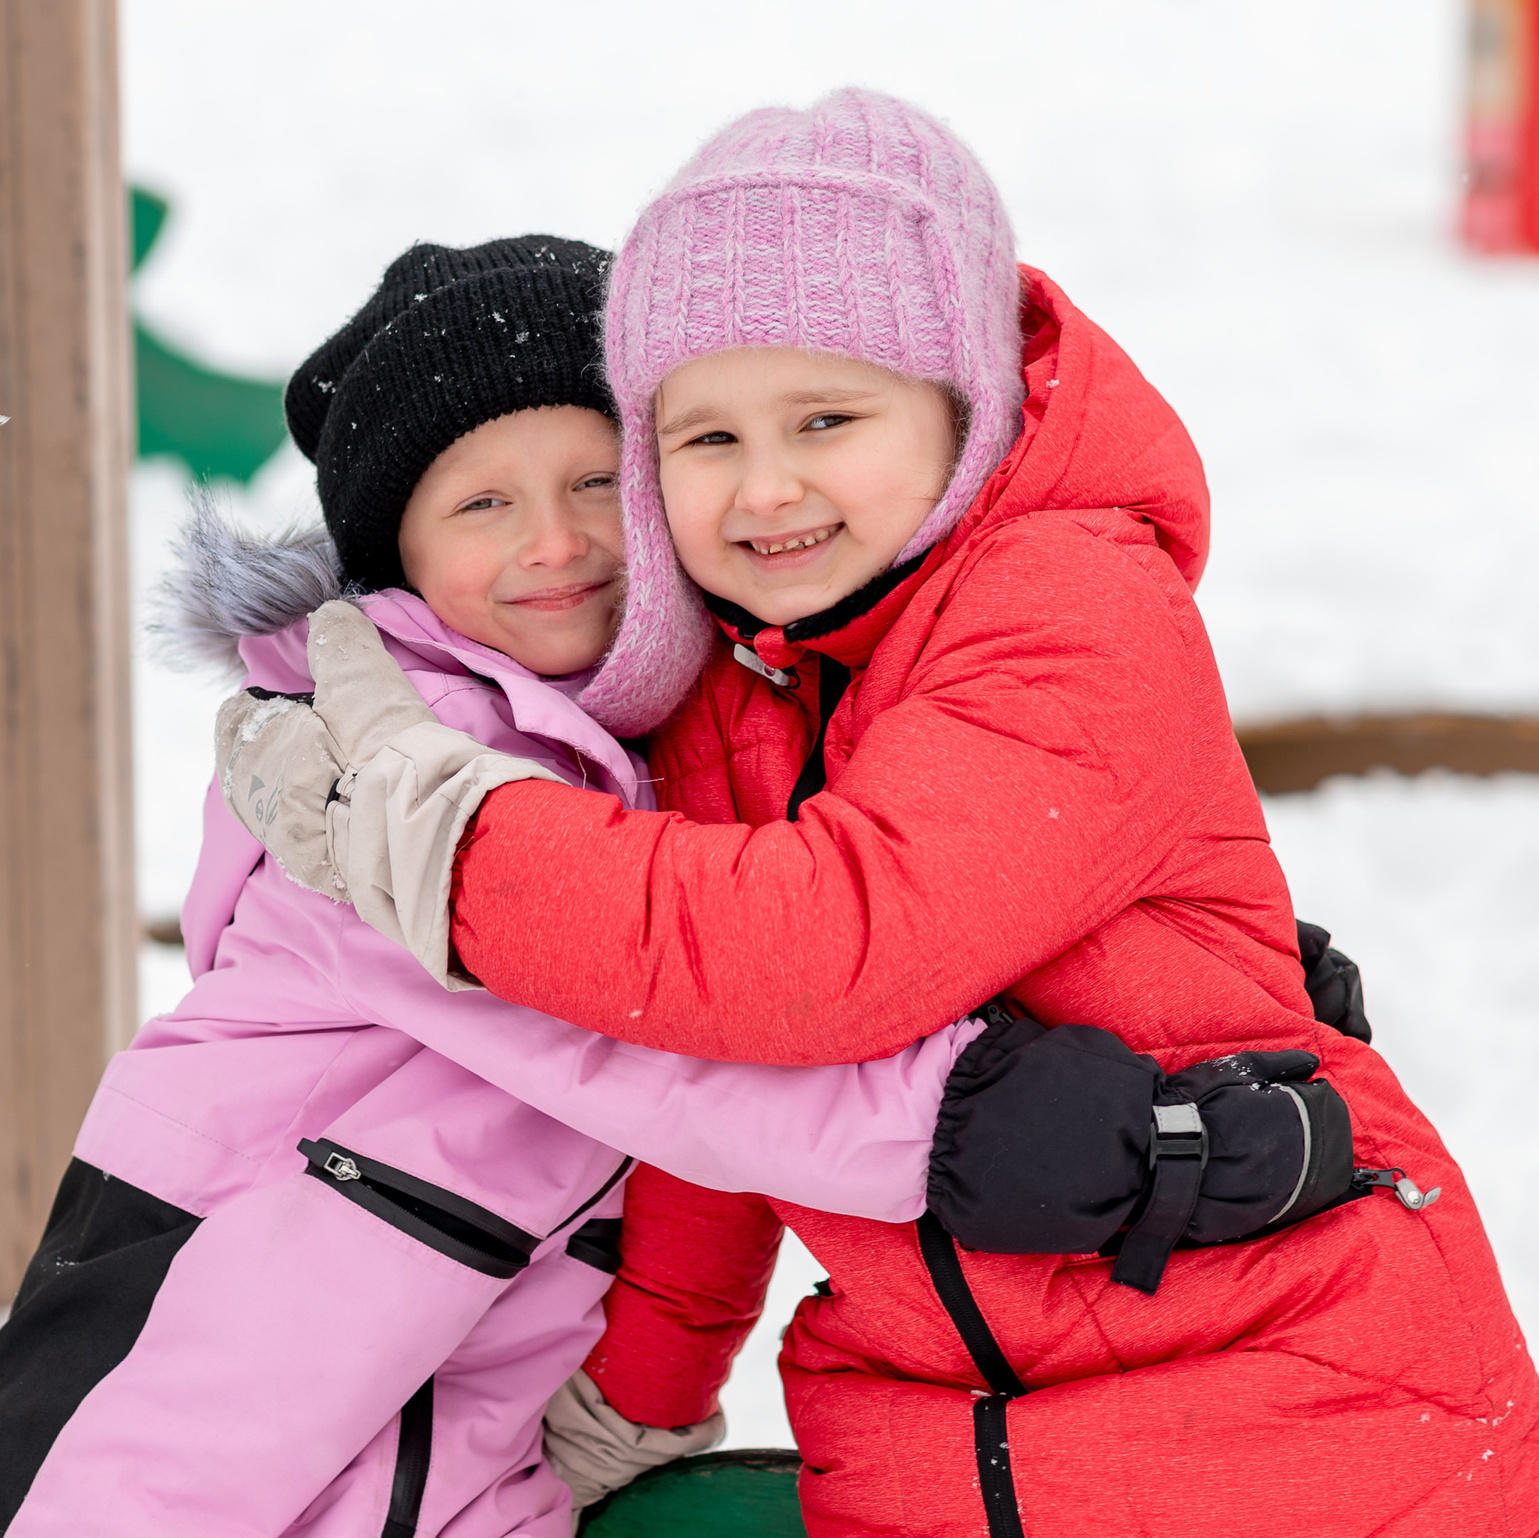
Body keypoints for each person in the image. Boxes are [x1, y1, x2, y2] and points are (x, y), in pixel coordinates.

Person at [220, 92, 1539, 1536]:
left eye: (827, 418)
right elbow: (712, 1085)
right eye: (704, 435)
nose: (767, 485)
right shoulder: (748, 695)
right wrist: (636, 1396)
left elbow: (823, 954)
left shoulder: (1072, 609)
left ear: (966, 409)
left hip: (1292, 1423)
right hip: (952, 1446)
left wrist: (456, 839)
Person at [0, 236, 1015, 1538]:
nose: (556, 539)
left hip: (430, 1415)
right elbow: (643, 1035)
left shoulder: (622, 745)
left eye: (597, 477)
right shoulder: (405, 768)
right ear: (397, 551)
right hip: (189, 1390)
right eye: (483, 504)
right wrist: (971, 1121)